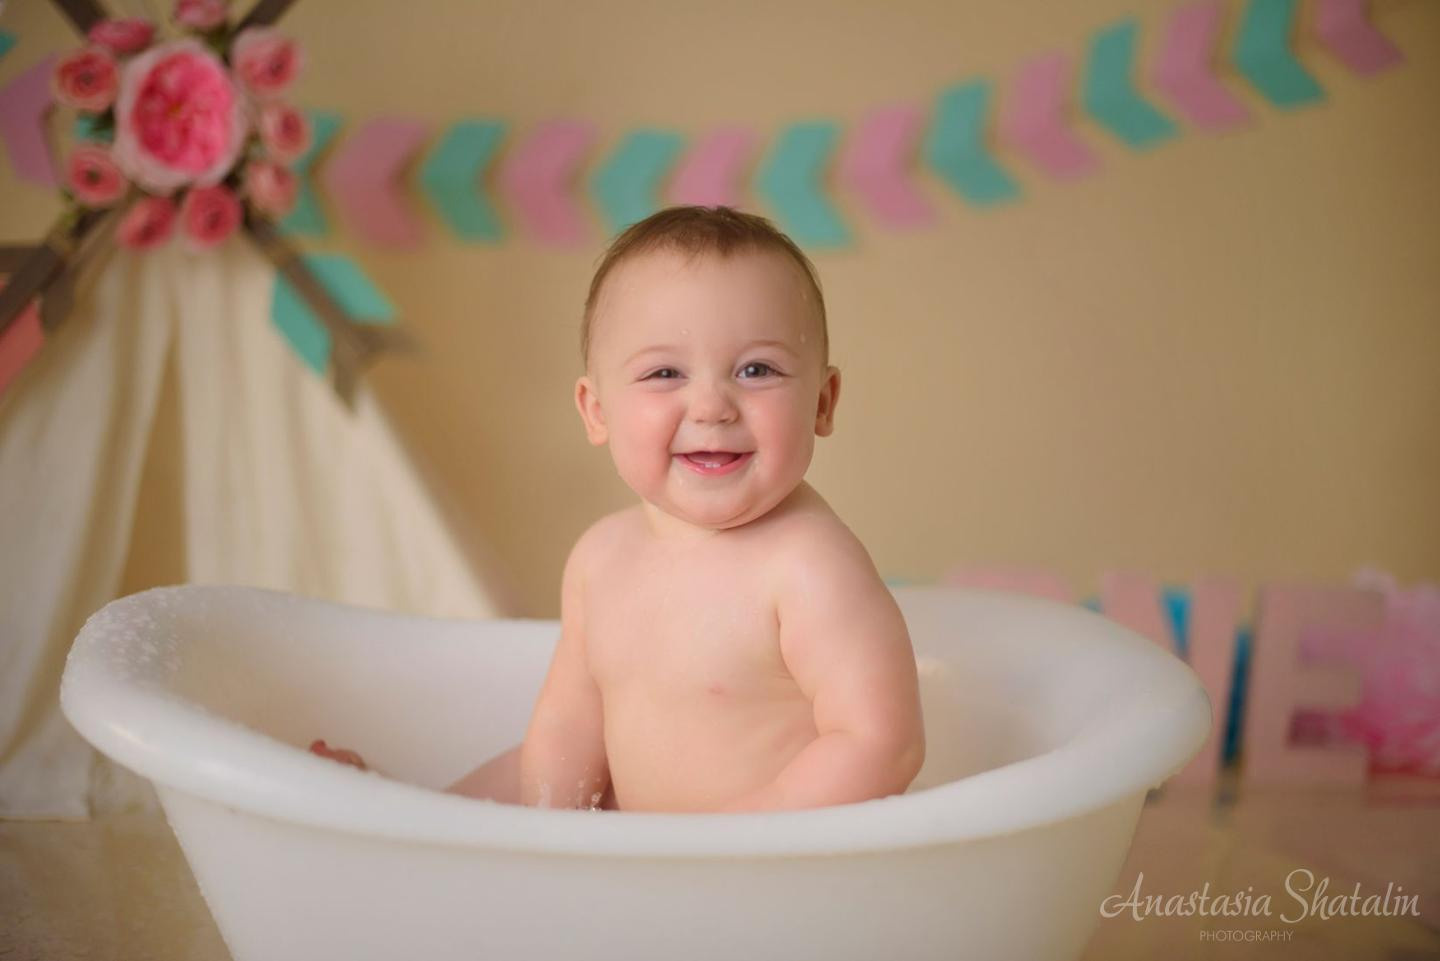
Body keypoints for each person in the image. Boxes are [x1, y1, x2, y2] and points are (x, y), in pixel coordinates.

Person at [315, 206, 925, 813]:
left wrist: (733, 842)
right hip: (628, 851)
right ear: (597, 411)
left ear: (822, 401)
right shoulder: (601, 557)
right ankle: (418, 821)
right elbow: (569, 725)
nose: (712, 405)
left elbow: (880, 744)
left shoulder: (811, 567)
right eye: (665, 373)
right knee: (532, 764)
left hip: (754, 869)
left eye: (756, 369)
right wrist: (552, 836)